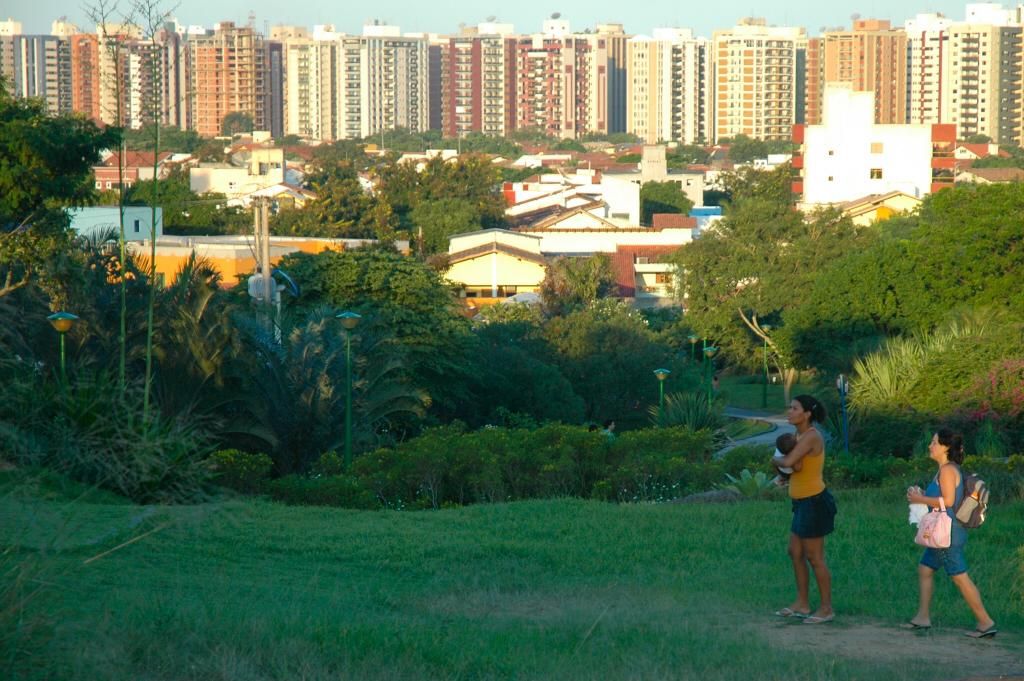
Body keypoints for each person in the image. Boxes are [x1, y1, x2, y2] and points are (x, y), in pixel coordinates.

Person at [904, 428, 997, 638]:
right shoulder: (945, 469)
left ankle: (985, 621)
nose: (930, 446)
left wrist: (920, 500)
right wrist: (922, 495)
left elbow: (947, 502)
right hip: (943, 532)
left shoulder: (947, 470)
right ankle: (922, 617)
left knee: (959, 576)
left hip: (948, 534)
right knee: (925, 569)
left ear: (945, 447)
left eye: (934, 442)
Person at [771, 395, 837, 624]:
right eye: (789, 407)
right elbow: (798, 467)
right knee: (795, 552)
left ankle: (826, 608)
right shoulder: (797, 437)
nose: (789, 412)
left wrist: (775, 460)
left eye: (794, 408)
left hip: (814, 503)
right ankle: (802, 603)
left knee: (814, 557)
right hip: (801, 503)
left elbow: (789, 463)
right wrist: (784, 478)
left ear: (807, 414)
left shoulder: (811, 437)